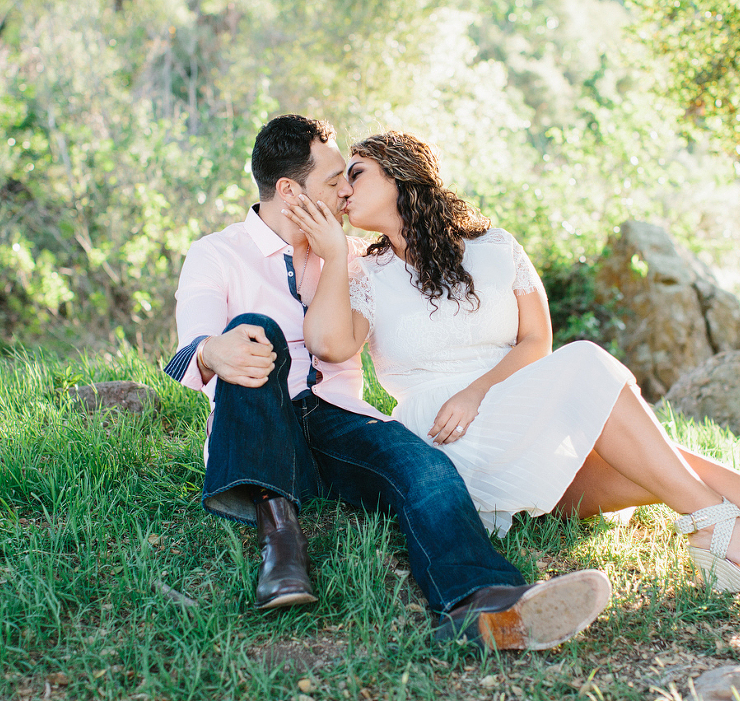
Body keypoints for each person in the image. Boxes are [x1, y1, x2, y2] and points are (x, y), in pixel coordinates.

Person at [286, 130, 740, 620]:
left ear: (401, 177)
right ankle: (733, 534)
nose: (342, 191)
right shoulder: (368, 275)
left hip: (516, 408)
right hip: (449, 441)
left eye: (356, 175)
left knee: (678, 464)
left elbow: (537, 340)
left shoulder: (494, 248)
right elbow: (329, 344)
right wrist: (336, 257)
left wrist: (479, 390)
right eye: (339, 184)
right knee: (610, 385)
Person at [164, 114, 612, 651]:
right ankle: (279, 529)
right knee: (253, 332)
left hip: (335, 418)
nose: (345, 191)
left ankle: (480, 602)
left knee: (425, 469)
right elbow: (188, 351)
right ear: (289, 189)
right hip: (259, 421)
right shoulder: (217, 253)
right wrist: (214, 349)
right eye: (334, 181)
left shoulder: (352, 256)